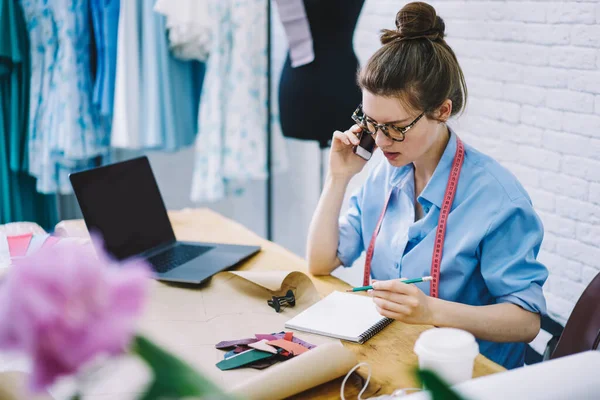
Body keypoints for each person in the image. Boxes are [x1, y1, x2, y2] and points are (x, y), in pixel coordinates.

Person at [306, 1, 548, 370]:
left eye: (396, 127)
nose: (382, 141)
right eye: (370, 122)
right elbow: (321, 261)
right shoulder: (385, 171)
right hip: (396, 357)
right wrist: (337, 178)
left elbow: (527, 322)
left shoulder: (497, 198)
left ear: (442, 111)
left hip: (473, 374)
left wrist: (431, 309)